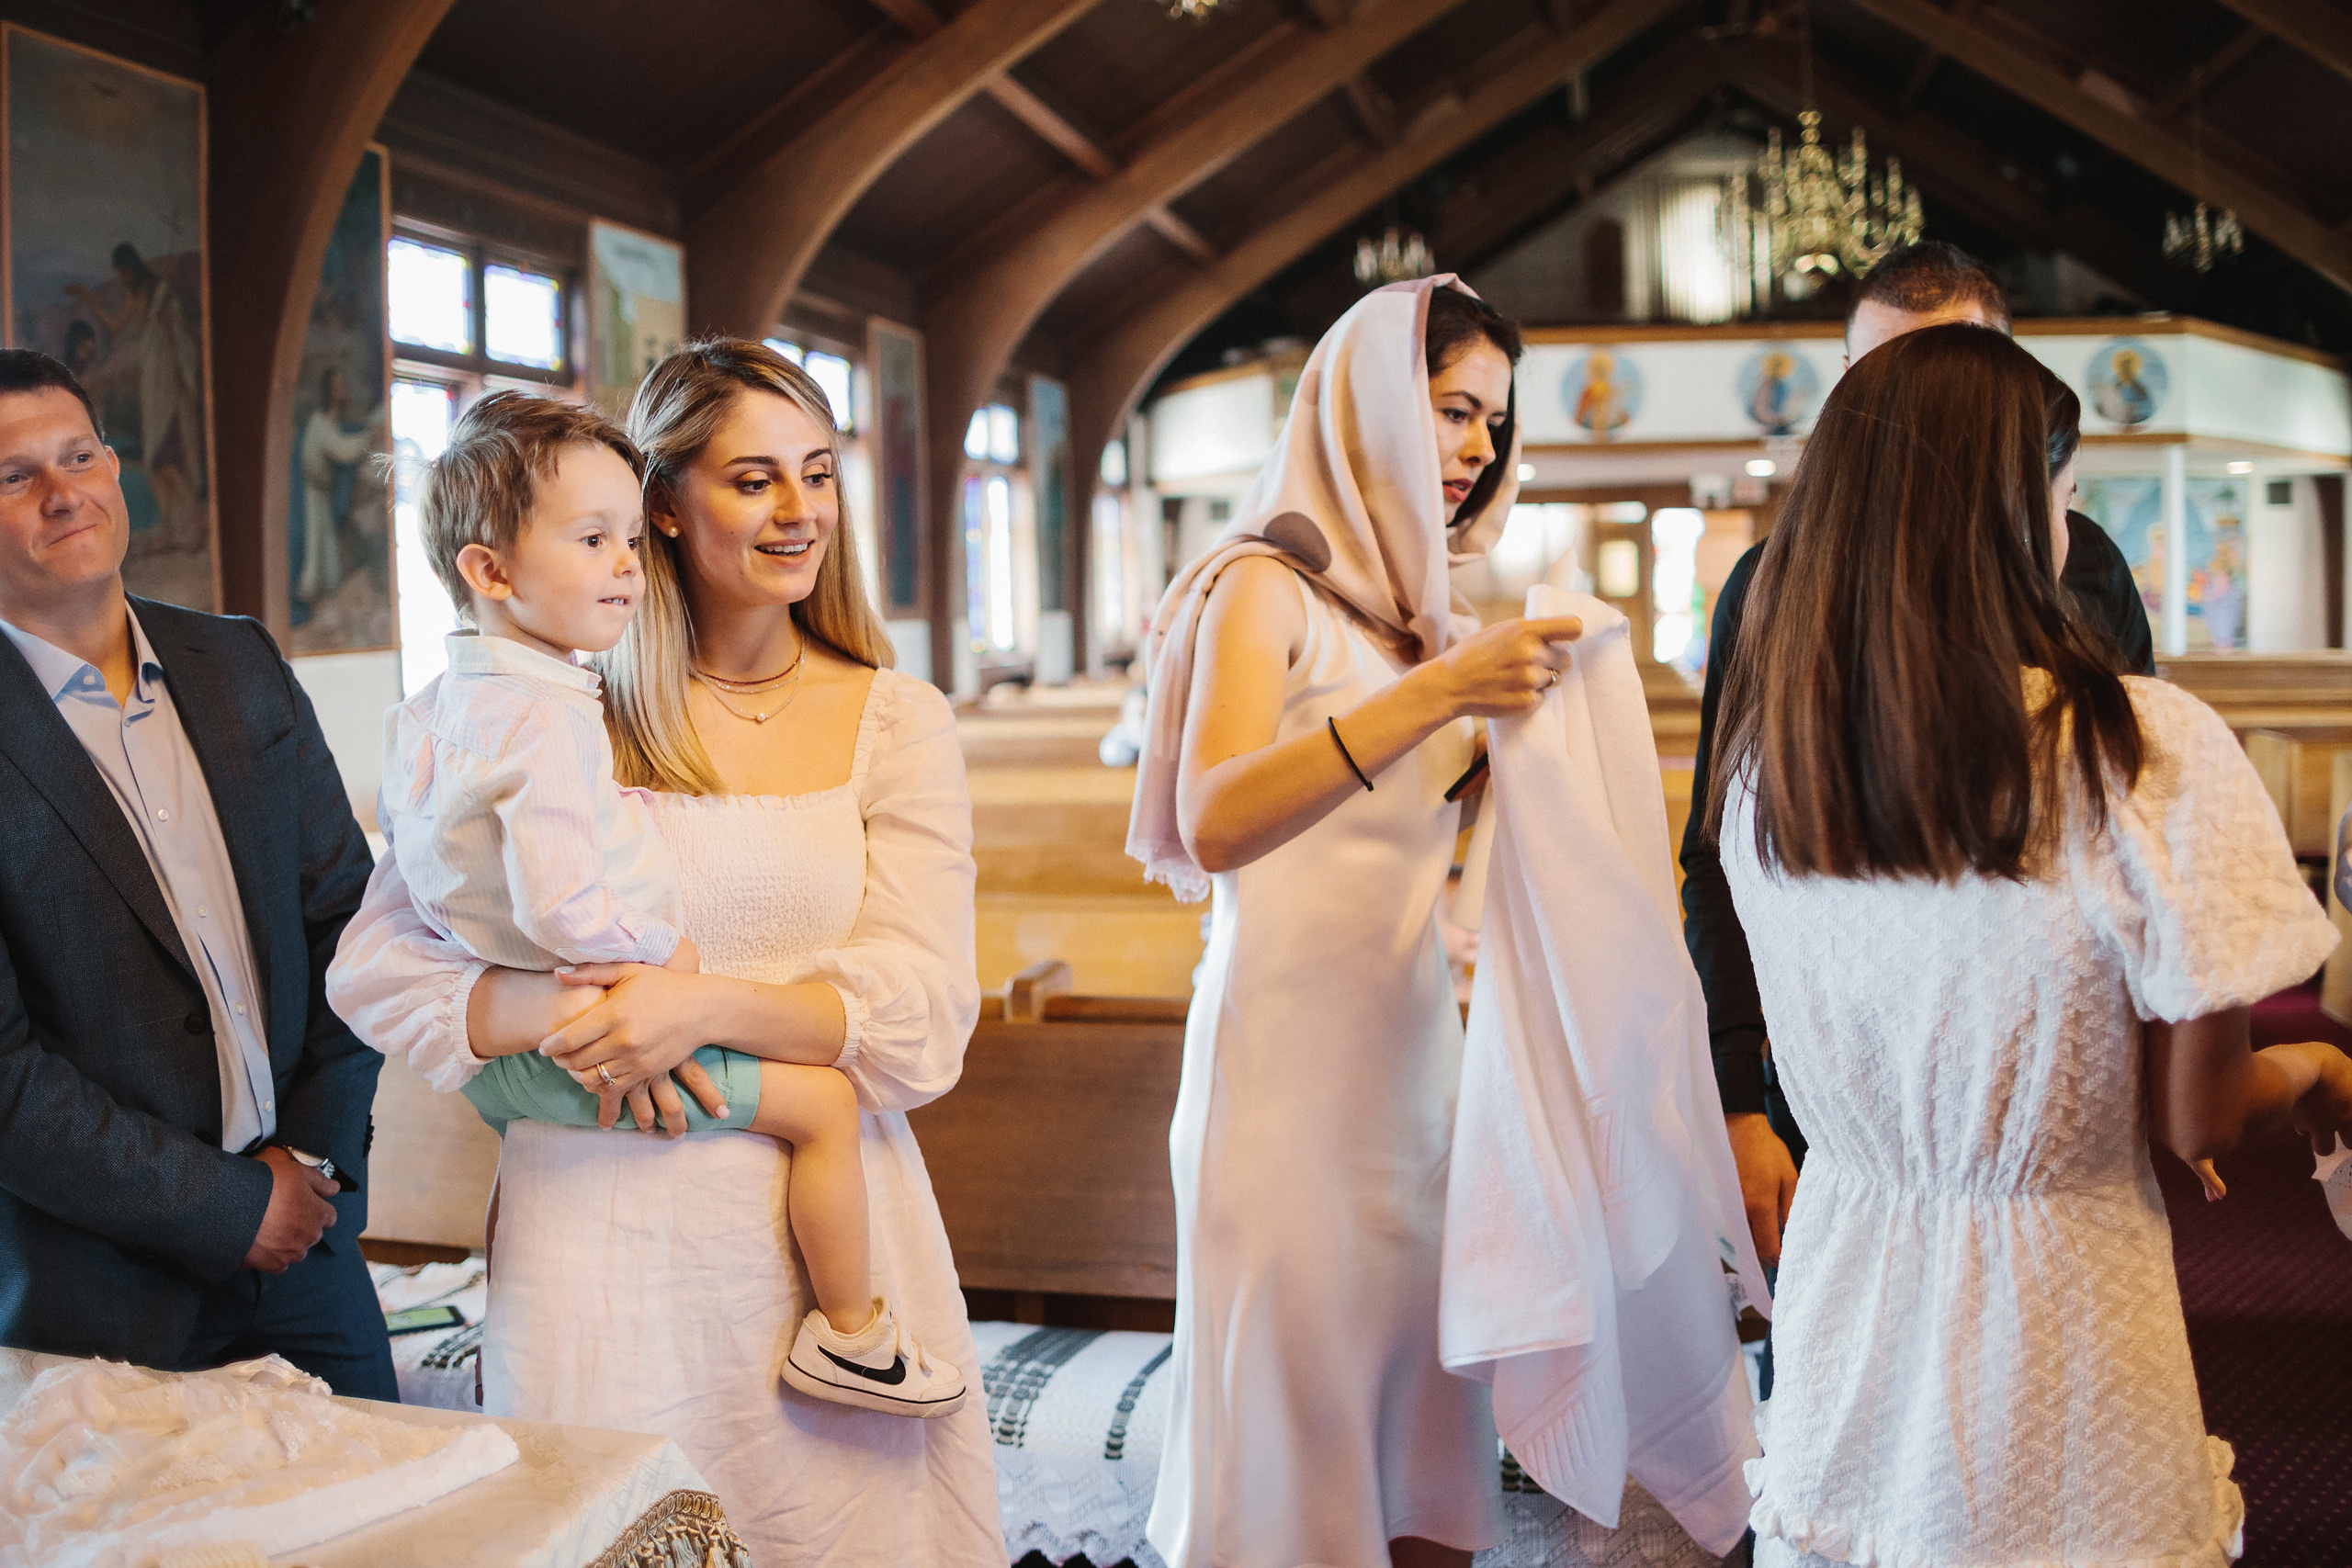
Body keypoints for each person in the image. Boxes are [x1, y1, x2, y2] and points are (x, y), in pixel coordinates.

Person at [328, 339, 998, 1562]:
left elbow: (922, 1013)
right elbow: (383, 969)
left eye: (818, 473)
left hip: (817, 1236)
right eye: (754, 480)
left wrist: (692, 1005)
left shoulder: (896, 717)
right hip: (598, 1233)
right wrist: (558, 1013)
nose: (800, 511)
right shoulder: (555, 712)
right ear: (664, 506)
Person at [1711, 322, 2347, 1565]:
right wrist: (2319, 1074)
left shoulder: (1767, 769)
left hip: (1851, 1287)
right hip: (2061, 1301)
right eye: (2061, 494)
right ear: (2011, 514)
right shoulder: (2131, 746)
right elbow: (2200, 1113)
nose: (2070, 528)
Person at [1127, 276, 1582, 1568]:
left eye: (1492, 423)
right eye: (1451, 411)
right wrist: (1442, 694)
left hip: (1412, 1079)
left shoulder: (1418, 624)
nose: (1477, 450)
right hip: (1281, 1088)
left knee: (1423, 1450)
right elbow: (1214, 816)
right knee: (1292, 1464)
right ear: (1369, 405)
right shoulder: (1264, 588)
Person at [1681, 241, 2157, 1293]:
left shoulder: (2082, 567)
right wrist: (1736, 1102)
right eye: (1879, 385)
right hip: (1837, 1084)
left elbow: (2141, 841)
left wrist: (2165, 1062)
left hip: (2035, 1097)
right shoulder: (1773, 585)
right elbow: (1719, 853)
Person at [0, 348, 391, 1395]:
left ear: (116, 465)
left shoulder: (239, 664)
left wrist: (308, 1167)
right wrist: (226, 1208)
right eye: (13, 475)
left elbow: (356, 927)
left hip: (310, 1256)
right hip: (95, 1297)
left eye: (78, 455)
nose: (62, 492)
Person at [66, 243, 206, 553]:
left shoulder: (162, 294)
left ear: (132, 268)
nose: (124, 278)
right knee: (154, 463)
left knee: (166, 461)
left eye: (124, 272)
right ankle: (170, 529)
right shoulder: (138, 296)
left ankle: (193, 525)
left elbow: (178, 334)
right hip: (152, 386)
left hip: (167, 385)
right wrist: (88, 298)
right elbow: (115, 325)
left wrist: (174, 345)